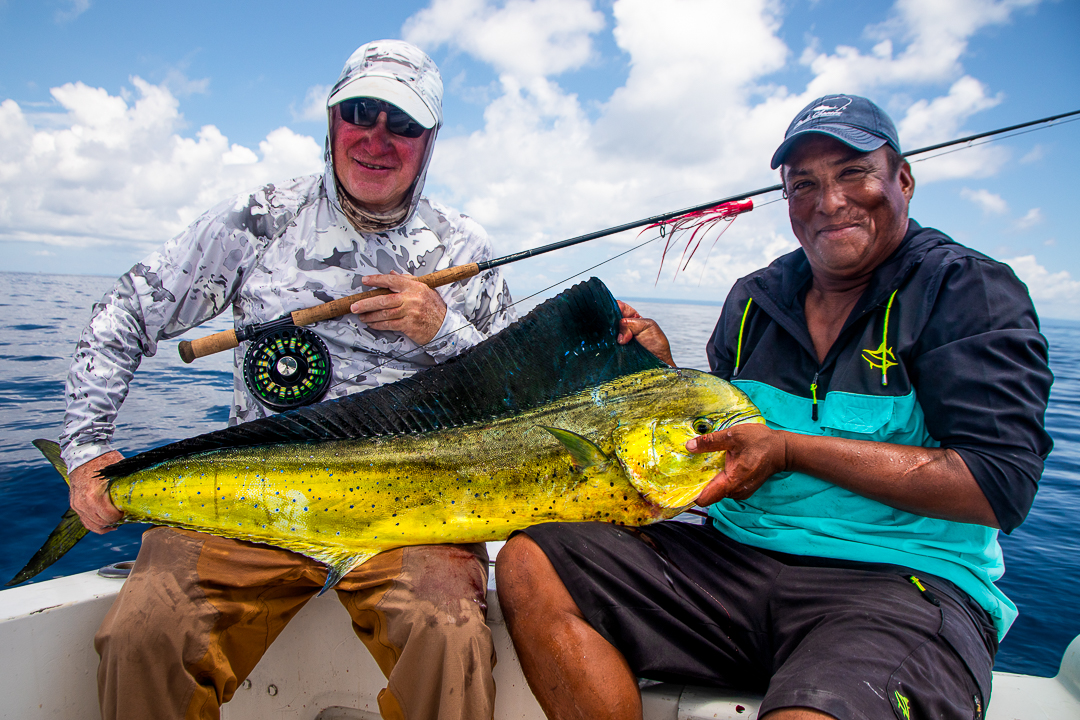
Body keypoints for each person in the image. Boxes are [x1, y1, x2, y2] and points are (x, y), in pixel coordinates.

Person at [496, 94, 1053, 720]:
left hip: (898, 583)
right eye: (803, 184)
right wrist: (663, 380)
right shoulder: (754, 300)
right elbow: (726, 442)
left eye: (852, 173)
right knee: (530, 562)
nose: (829, 201)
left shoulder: (966, 290)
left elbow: (999, 485)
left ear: (902, 180)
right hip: (733, 562)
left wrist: (792, 449)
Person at [58, 40, 516, 720]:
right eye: (360, 112)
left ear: (430, 141)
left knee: (449, 640)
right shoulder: (259, 220)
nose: (376, 138)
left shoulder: (464, 249)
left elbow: (516, 400)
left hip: (412, 515)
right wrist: (87, 446)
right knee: (144, 635)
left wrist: (440, 327)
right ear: (331, 121)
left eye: (404, 125)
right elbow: (126, 310)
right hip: (252, 504)